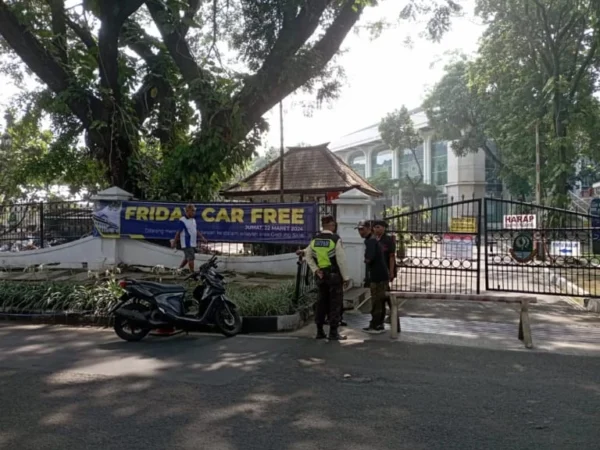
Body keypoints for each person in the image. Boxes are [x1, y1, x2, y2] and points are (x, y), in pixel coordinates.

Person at [304, 215, 350, 340]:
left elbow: (307, 256)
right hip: (334, 276)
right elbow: (341, 260)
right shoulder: (335, 239)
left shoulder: (315, 239)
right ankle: (333, 332)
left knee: (321, 302)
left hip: (321, 276)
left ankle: (319, 331)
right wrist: (346, 277)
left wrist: (315, 269)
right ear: (332, 225)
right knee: (335, 303)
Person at [355, 220, 389, 334]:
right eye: (359, 230)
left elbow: (369, 258)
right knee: (381, 300)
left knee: (377, 301)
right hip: (380, 274)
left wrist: (366, 260)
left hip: (378, 276)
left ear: (369, 229)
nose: (360, 232)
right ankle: (378, 323)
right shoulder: (372, 239)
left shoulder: (370, 241)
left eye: (362, 229)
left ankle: (376, 324)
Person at [373, 220, 397, 325]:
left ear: (383, 228)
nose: (376, 229)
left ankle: (385, 317)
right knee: (385, 294)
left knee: (383, 295)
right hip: (376, 271)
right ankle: (393, 314)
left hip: (386, 270)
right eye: (375, 227)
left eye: (379, 227)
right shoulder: (373, 239)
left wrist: (391, 272)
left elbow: (391, 257)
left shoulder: (388, 240)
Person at [171, 204, 207, 273]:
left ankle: (179, 269)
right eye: (192, 211)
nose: (194, 212)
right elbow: (178, 232)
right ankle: (192, 273)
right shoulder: (183, 220)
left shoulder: (193, 220)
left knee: (187, 257)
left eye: (194, 211)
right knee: (191, 258)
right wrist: (174, 243)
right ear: (187, 211)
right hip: (187, 242)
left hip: (192, 243)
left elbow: (195, 230)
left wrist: (202, 237)